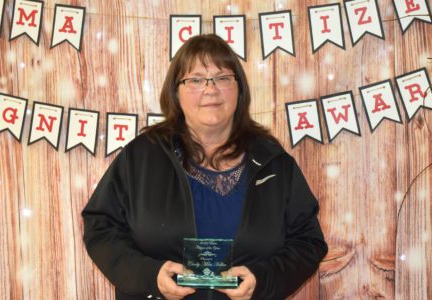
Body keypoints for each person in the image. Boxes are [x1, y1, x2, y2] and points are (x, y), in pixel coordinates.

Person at [82, 34, 327, 300]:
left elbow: (308, 242)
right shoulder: (141, 157)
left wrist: (262, 279)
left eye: (222, 78)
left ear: (240, 89)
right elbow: (100, 226)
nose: (211, 89)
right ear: (176, 91)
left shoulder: (274, 162)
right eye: (196, 79)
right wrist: (149, 275)